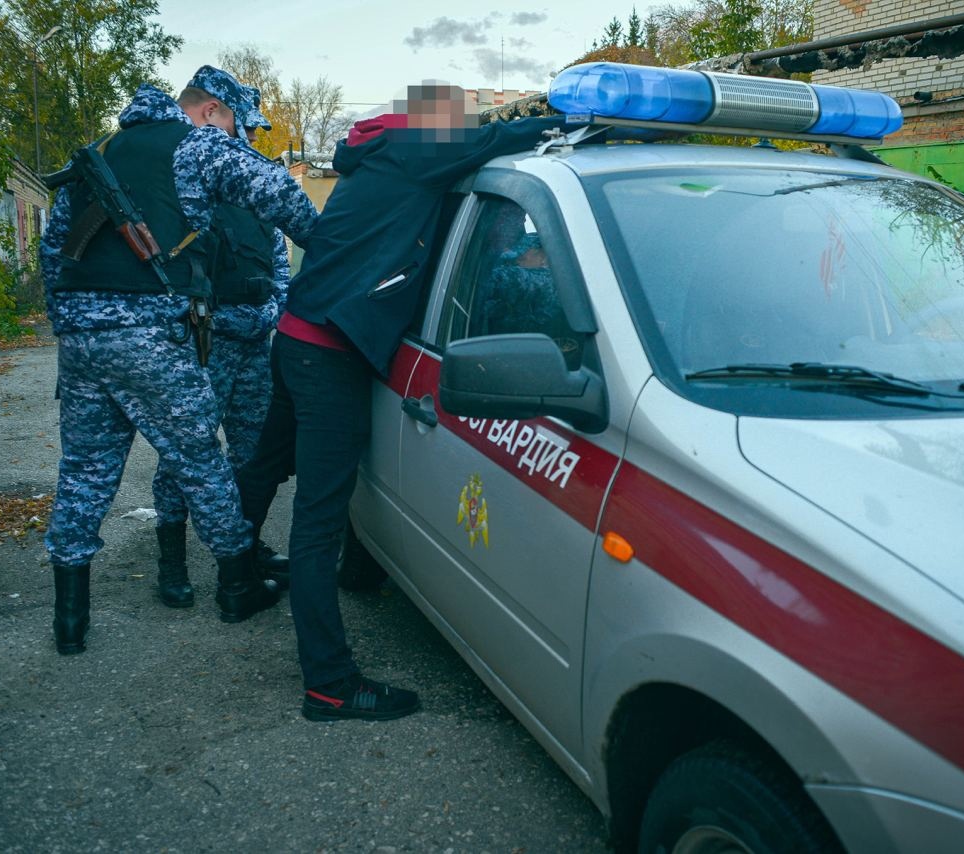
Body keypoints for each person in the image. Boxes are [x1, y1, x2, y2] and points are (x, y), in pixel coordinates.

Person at [235, 83, 571, 721]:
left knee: (265, 464)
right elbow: (498, 139)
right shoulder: (420, 149)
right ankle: (329, 685)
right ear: (440, 124)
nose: (469, 126)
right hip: (331, 352)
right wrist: (565, 116)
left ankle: (235, 578)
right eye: (462, 118)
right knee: (317, 525)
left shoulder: (382, 148)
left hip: (298, 331)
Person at [40, 66, 318, 655]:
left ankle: (70, 621)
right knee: (199, 460)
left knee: (85, 471)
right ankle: (239, 585)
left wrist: (68, 322)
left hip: (83, 341)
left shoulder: (100, 153)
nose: (236, 132)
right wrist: (330, 242)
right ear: (214, 110)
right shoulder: (196, 146)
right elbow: (279, 193)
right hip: (148, 334)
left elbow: (53, 248)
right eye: (234, 120)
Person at [148, 85, 291, 608]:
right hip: (204, 342)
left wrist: (273, 308)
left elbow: (279, 259)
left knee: (252, 453)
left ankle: (244, 551)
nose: (247, 137)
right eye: (243, 126)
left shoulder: (252, 187)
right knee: (185, 454)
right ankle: (173, 562)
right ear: (214, 114)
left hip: (255, 340)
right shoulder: (184, 182)